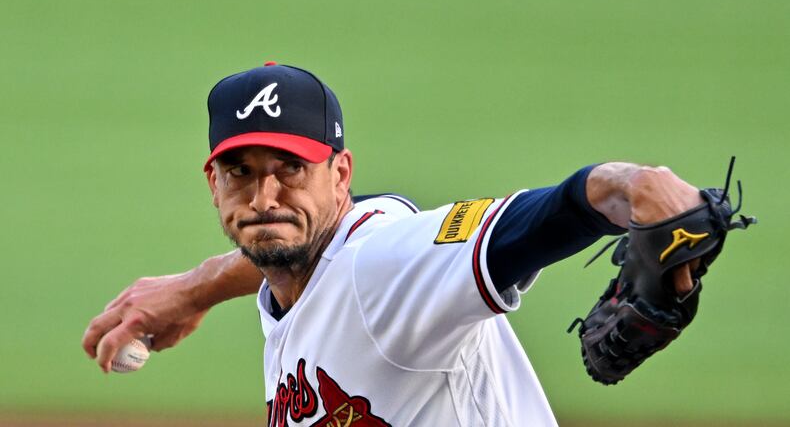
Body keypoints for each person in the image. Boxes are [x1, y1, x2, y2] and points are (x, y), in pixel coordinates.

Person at [82, 62, 703, 426]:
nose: (265, 197)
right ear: (212, 183)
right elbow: (298, 250)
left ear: (341, 174)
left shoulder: (388, 264)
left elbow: (536, 220)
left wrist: (634, 188)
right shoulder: (308, 270)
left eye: (290, 169)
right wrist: (198, 287)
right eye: (240, 172)